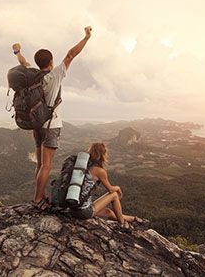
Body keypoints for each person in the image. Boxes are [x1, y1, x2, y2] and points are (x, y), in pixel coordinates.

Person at [12, 26, 92, 212]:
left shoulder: (33, 76)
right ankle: (39, 198)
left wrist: (17, 52)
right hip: (51, 125)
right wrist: (86, 37)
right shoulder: (54, 75)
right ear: (51, 61)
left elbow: (23, 63)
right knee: (47, 165)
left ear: (37, 63)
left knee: (40, 164)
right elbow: (71, 54)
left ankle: (41, 195)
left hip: (37, 125)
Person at [70, 142, 149, 232]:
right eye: (106, 153)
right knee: (114, 195)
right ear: (102, 154)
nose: (107, 155)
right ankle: (123, 224)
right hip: (83, 212)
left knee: (108, 212)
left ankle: (133, 219)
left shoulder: (83, 166)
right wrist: (118, 188)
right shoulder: (99, 171)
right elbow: (111, 190)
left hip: (73, 208)